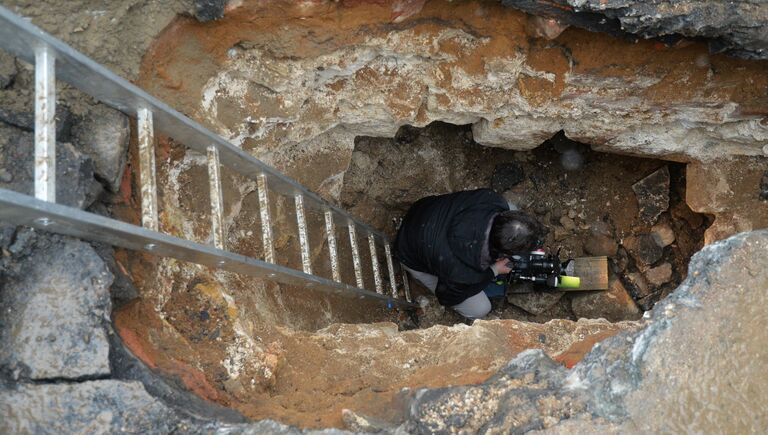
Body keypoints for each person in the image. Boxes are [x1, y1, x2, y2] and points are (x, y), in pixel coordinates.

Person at [395, 188, 546, 319]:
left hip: (423, 212)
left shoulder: (490, 198)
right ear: (501, 252)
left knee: (510, 207)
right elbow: (446, 297)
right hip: (408, 252)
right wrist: (493, 271)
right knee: (480, 308)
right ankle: (419, 278)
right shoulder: (461, 272)